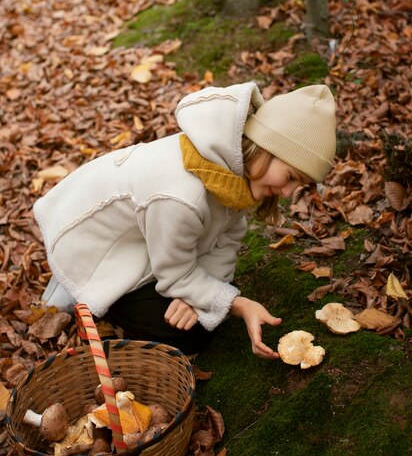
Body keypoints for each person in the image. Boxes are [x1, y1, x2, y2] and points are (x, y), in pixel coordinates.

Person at [33, 82, 336, 359]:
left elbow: (228, 241)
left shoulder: (233, 172)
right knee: (189, 334)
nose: (287, 192)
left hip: (148, 239)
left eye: (299, 185)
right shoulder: (179, 196)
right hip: (90, 247)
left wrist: (203, 297)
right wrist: (239, 305)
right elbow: (175, 273)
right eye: (292, 177)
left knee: (210, 300)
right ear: (266, 147)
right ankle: (74, 285)